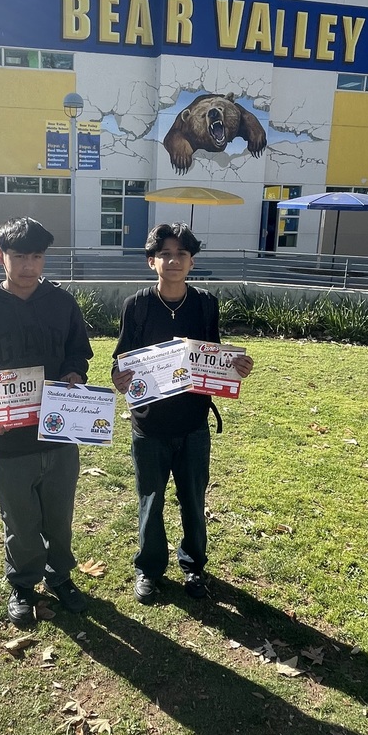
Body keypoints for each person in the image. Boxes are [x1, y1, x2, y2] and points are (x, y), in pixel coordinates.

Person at [0, 217, 93, 628]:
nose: (29, 265)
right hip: (10, 441)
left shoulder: (62, 303)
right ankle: (23, 584)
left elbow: (78, 353)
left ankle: (60, 577)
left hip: (59, 432)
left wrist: (74, 374)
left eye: (37, 256)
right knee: (20, 519)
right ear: (1, 257)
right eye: (19, 256)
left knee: (59, 514)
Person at [111, 223, 254, 604]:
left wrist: (236, 367)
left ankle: (193, 567)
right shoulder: (137, 305)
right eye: (165, 254)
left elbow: (217, 354)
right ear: (151, 261)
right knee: (151, 500)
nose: (173, 261)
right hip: (149, 425)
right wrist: (120, 378)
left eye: (181, 255)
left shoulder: (206, 303)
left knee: (193, 499)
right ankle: (149, 569)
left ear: (192, 263)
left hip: (193, 424)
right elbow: (120, 361)